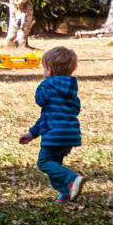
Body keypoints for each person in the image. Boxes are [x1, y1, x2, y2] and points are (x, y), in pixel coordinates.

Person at [20, 45, 86, 199]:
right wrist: (32, 133)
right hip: (70, 135)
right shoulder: (71, 89)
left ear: (49, 70)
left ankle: (72, 179)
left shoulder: (47, 85)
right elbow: (75, 109)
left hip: (54, 134)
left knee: (44, 163)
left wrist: (43, 87)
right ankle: (66, 192)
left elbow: (40, 101)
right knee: (55, 164)